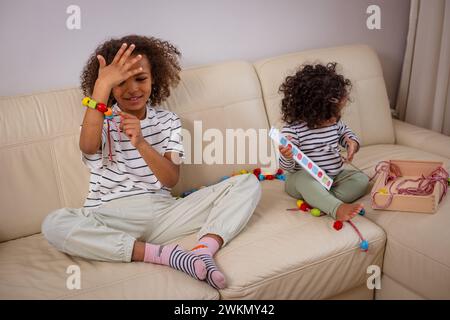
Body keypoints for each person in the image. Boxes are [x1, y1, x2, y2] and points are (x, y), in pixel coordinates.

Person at [42, 35, 261, 290]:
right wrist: (101, 86)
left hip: (164, 213)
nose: (132, 89)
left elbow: (171, 179)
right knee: (54, 223)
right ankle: (165, 256)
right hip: (111, 214)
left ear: (154, 78)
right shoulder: (101, 118)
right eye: (120, 82)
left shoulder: (170, 122)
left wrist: (142, 144)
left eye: (140, 78)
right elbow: (87, 145)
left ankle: (203, 251)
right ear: (109, 88)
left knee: (247, 183)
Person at [278, 62, 368, 221]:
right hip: (301, 181)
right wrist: (287, 155)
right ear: (311, 111)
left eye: (338, 113)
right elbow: (287, 167)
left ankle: (320, 200)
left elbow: (345, 133)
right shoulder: (293, 131)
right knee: (304, 179)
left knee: (361, 179)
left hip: (333, 178)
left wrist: (351, 143)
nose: (336, 118)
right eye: (332, 114)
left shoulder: (334, 122)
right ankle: (335, 207)